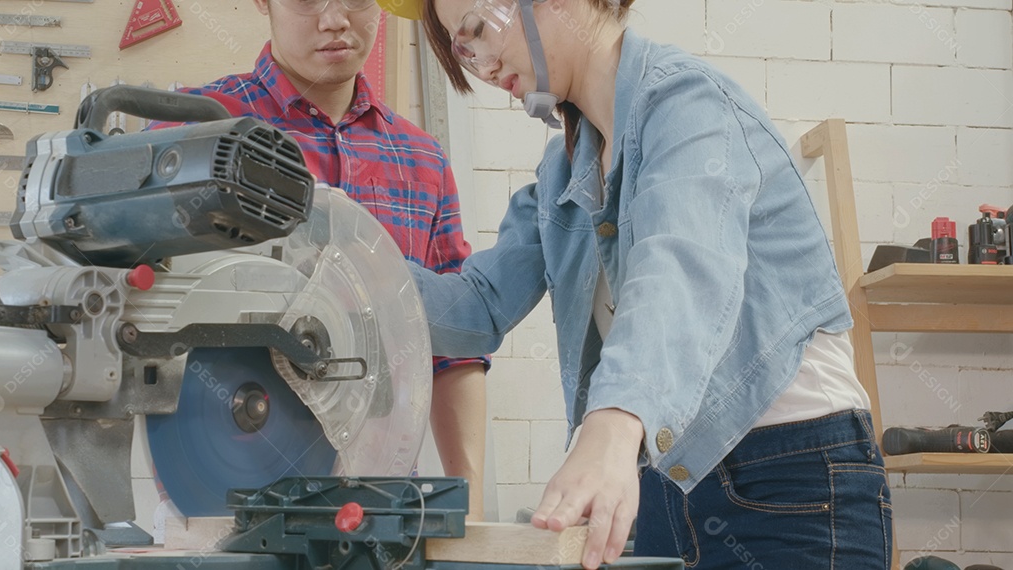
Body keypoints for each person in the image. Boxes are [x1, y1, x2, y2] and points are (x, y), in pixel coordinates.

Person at [402, 0, 892, 568]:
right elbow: (477, 306)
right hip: (665, 483)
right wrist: (343, 269)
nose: (483, 68)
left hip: (792, 477)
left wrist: (609, 426)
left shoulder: (689, 104)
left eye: (480, 32)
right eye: (465, 52)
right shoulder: (564, 172)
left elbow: (679, 270)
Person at [150, 0, 488, 520]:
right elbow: (138, 318)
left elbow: (450, 351)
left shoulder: (422, 160)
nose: (334, 19)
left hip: (385, 510)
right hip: (225, 506)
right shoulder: (196, 133)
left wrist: (471, 510)